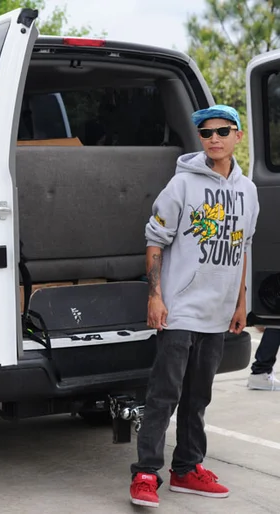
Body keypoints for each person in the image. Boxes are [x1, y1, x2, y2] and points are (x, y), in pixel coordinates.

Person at [129, 104, 260, 508]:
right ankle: (147, 473)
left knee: (198, 397)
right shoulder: (182, 186)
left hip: (218, 313)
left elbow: (242, 250)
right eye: (206, 133)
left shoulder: (248, 191)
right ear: (200, 140)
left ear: (238, 135)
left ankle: (186, 469)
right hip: (180, 309)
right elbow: (155, 242)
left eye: (223, 130)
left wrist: (240, 304)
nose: (214, 138)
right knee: (164, 395)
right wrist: (155, 295)